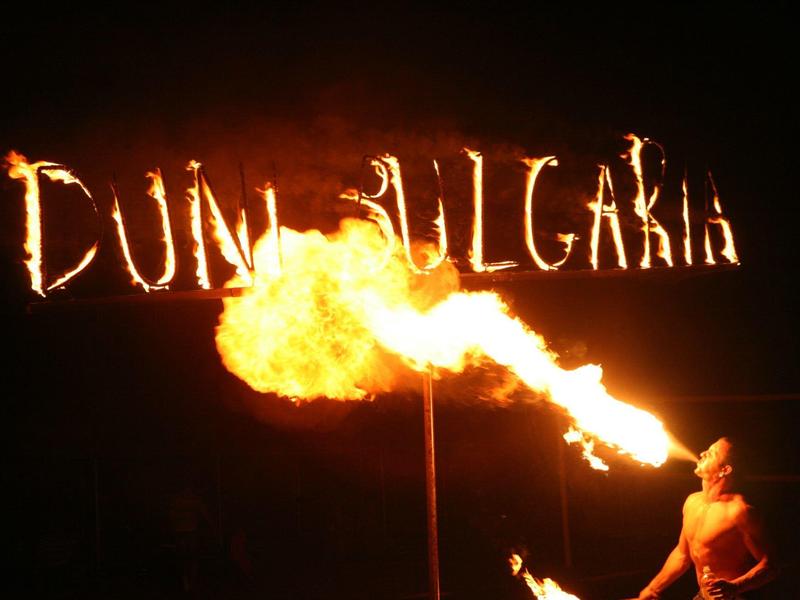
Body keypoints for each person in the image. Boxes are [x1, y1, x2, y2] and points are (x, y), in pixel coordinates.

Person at [637, 437, 777, 600]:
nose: (703, 453)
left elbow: (771, 565)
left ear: (724, 470)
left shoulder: (739, 511)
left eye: (711, 453)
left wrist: (735, 587)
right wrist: (653, 588)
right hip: (703, 597)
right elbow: (682, 555)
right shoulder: (692, 502)